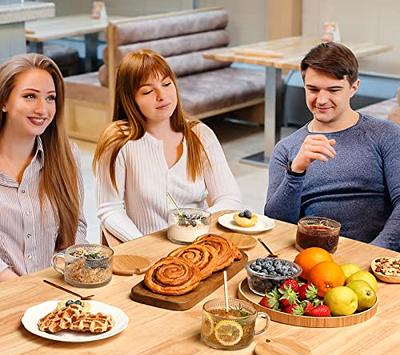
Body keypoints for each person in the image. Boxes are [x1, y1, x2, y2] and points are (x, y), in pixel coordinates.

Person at [93, 49, 241, 242]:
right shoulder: (118, 141)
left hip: (197, 243)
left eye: (166, 84)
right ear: (129, 100)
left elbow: (230, 198)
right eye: (147, 91)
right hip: (144, 252)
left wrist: (195, 226)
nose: (162, 95)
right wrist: (145, 245)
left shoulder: (199, 135)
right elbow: (110, 209)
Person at [264, 42, 400, 251]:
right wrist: (296, 171)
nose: (321, 99)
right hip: (313, 257)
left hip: (376, 256)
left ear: (354, 87)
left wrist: (373, 253)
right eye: (313, 89)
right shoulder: (286, 148)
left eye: (333, 90)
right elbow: (278, 223)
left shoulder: (386, 134)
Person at [0, 53, 87, 281]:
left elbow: (76, 225)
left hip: (54, 294)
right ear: (4, 101)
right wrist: (22, 288)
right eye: (30, 96)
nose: (43, 109)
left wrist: (60, 271)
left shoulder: (67, 156)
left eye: (50, 98)